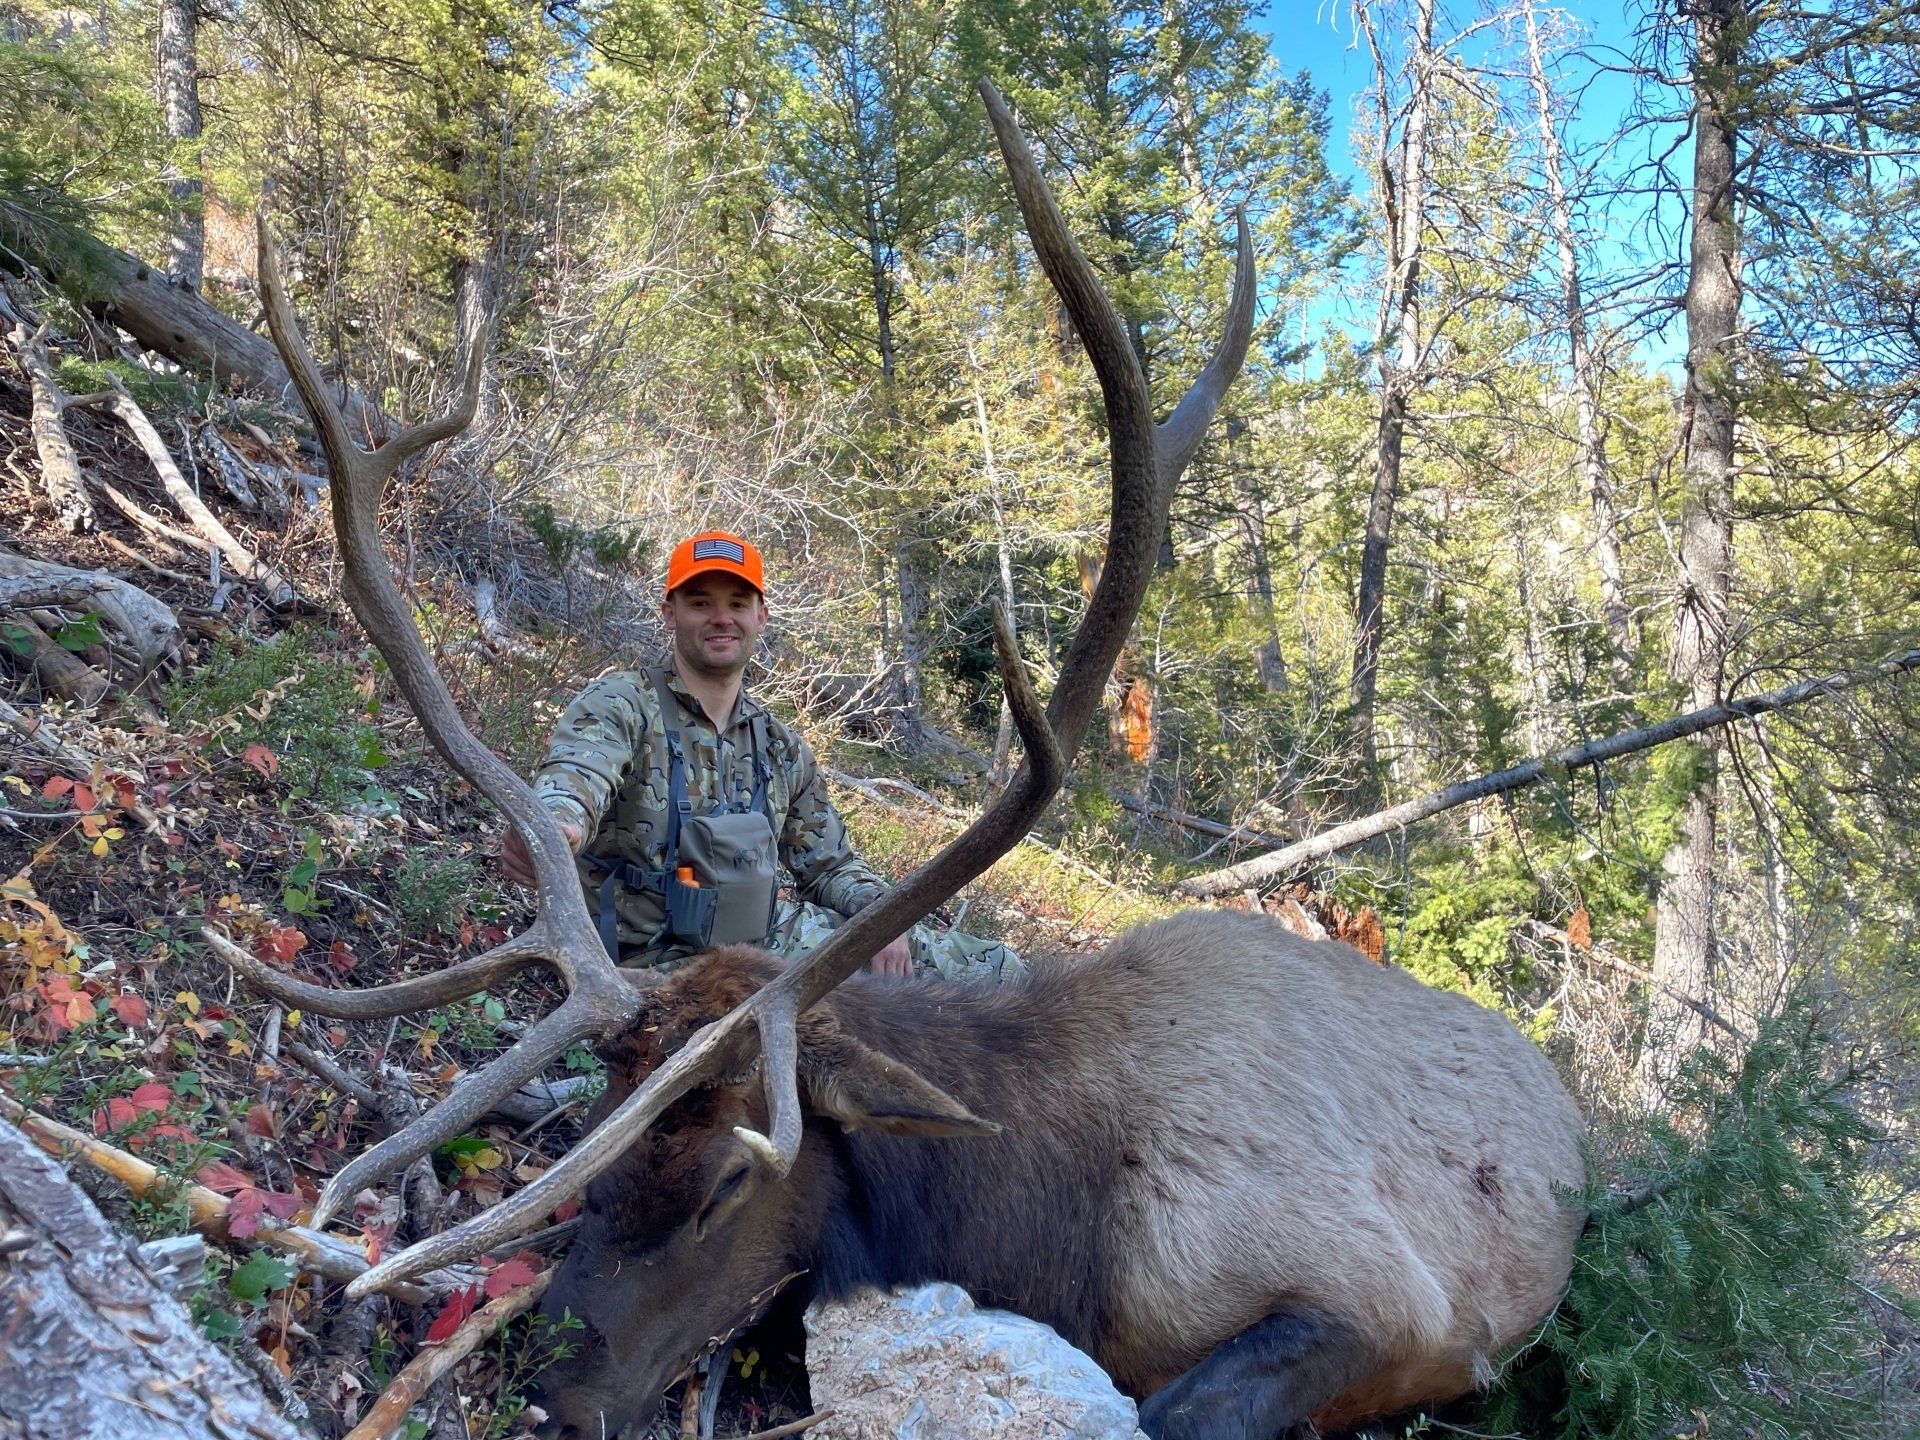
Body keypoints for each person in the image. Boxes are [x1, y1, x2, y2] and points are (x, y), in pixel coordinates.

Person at [502, 530, 1021, 983]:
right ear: (670, 613)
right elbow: (574, 778)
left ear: (761, 615)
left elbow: (831, 866)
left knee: (992, 971)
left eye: (737, 603)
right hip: (649, 970)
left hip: (761, 945)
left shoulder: (781, 747)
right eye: (700, 602)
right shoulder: (622, 704)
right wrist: (554, 827)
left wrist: (881, 921)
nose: (721, 618)